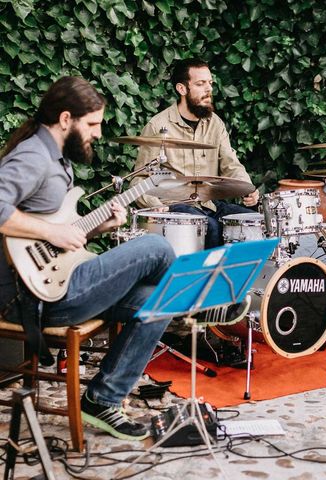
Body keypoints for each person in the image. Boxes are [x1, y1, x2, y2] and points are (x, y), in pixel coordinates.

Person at [0, 77, 176, 441]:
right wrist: (52, 233)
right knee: (157, 248)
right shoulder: (33, 156)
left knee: (161, 301)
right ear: (66, 119)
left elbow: (57, 232)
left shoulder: (56, 159)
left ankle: (103, 398)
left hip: (59, 281)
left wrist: (96, 228)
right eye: (92, 124)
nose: (98, 133)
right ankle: (206, 306)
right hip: (35, 300)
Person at [133, 57, 259, 248]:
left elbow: (230, 163)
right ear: (182, 89)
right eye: (200, 84)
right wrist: (156, 206)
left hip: (208, 205)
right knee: (212, 228)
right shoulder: (158, 126)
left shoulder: (215, 123)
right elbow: (139, 178)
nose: (208, 89)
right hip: (175, 208)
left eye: (210, 83)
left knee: (254, 222)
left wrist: (247, 188)